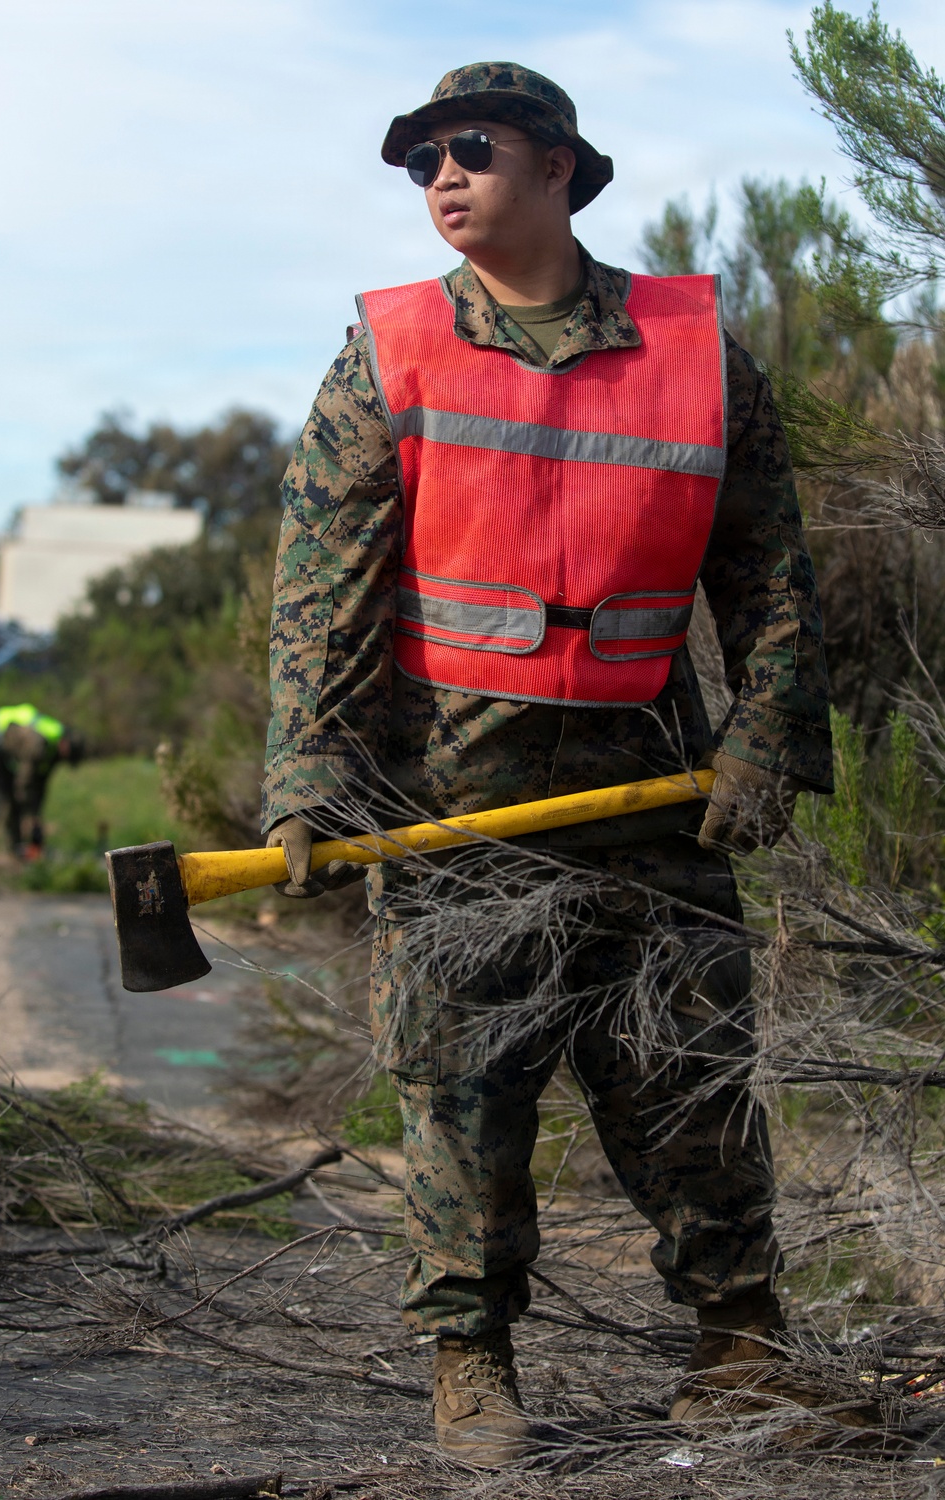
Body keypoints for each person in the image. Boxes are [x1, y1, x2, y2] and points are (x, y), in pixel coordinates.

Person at [263, 64, 858, 1464]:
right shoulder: (389, 350)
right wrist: (306, 775)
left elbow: (770, 569)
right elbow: (321, 594)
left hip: (652, 789)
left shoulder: (696, 348)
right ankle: (472, 1363)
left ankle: (741, 1345)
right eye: (419, 163)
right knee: (462, 1086)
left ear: (558, 167)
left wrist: (767, 735)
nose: (441, 179)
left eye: (469, 150)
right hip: (448, 805)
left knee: (691, 1067)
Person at [0, 702, 84, 859]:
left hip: (8, 749)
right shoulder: (38, 744)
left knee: (14, 800)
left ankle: (13, 852)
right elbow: (24, 785)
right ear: (65, 747)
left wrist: (35, 816)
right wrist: (30, 819)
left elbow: (40, 784)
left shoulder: (54, 746)